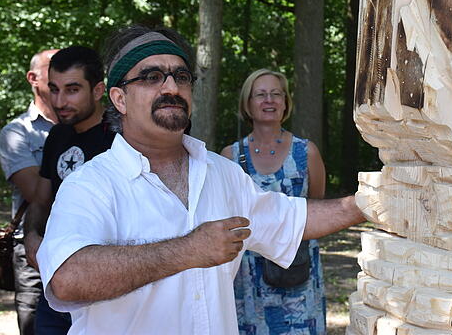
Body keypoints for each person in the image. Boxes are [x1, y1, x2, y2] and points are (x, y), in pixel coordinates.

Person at [36, 25, 364, 334]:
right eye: (151, 77)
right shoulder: (91, 184)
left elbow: (288, 218)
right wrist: (187, 250)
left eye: (181, 76)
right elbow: (67, 278)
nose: (171, 87)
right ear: (119, 99)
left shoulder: (222, 173)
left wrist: (371, 201)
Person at [221, 69, 327, 334]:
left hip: (299, 273)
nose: (269, 100)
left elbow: (317, 209)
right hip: (249, 278)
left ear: (285, 102)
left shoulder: (307, 152)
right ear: (248, 103)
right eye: (261, 94)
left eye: (276, 94)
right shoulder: (229, 157)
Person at [24, 46, 115, 335]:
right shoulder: (57, 135)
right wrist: (31, 237)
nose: (60, 101)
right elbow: (41, 199)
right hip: (57, 285)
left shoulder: (122, 138)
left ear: (99, 89)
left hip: (109, 288)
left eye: (72, 90)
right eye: (54, 89)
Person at [0, 49, 58, 335]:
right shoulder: (16, 133)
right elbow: (36, 192)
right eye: (54, 67)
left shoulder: (93, 129)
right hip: (33, 248)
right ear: (33, 78)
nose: (62, 71)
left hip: (88, 244)